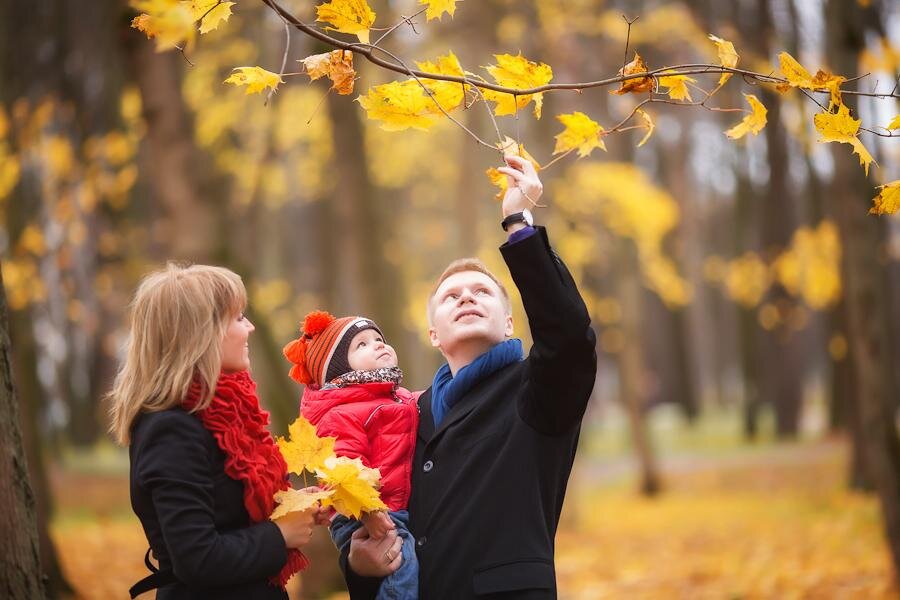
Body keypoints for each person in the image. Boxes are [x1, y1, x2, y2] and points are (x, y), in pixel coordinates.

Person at [340, 154, 598, 598]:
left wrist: (518, 223)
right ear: (433, 333)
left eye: (482, 292)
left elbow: (570, 337)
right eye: (450, 296)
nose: (467, 298)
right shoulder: (405, 412)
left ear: (509, 323)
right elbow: (370, 508)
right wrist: (356, 561)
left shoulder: (537, 392)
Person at [108, 264, 327, 599]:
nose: (251, 327)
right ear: (201, 333)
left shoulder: (225, 416)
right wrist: (279, 535)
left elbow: (232, 514)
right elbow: (197, 558)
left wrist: (295, 507)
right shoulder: (171, 429)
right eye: (238, 318)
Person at [283, 310, 420, 600]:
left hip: (391, 509)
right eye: (362, 344)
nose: (378, 344)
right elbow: (339, 470)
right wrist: (369, 512)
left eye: (378, 339)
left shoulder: (396, 397)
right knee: (401, 569)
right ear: (340, 371)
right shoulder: (342, 412)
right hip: (363, 513)